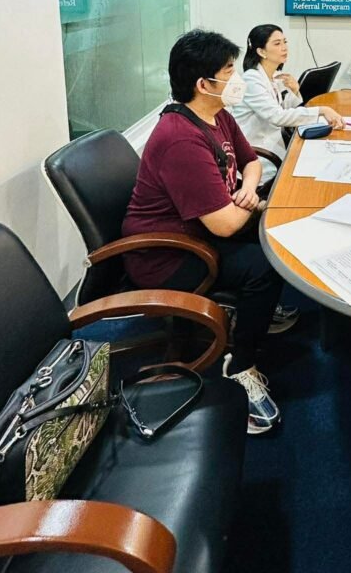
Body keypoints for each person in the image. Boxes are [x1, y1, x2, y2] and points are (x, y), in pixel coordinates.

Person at [122, 28, 292, 434]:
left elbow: (251, 162)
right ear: (204, 83)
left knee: (275, 235)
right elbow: (226, 224)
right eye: (230, 71)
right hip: (168, 255)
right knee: (265, 265)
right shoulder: (181, 137)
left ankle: (256, 312)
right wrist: (248, 203)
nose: (237, 79)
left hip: (203, 229)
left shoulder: (217, 115)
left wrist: (247, 191)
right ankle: (241, 367)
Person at [230, 24, 345, 185]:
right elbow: (277, 117)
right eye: (277, 44)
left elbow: (289, 109)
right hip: (258, 155)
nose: (284, 48)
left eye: (285, 42)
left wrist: (295, 90)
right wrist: (322, 110)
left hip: (275, 145)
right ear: (261, 51)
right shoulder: (252, 79)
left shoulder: (275, 75)